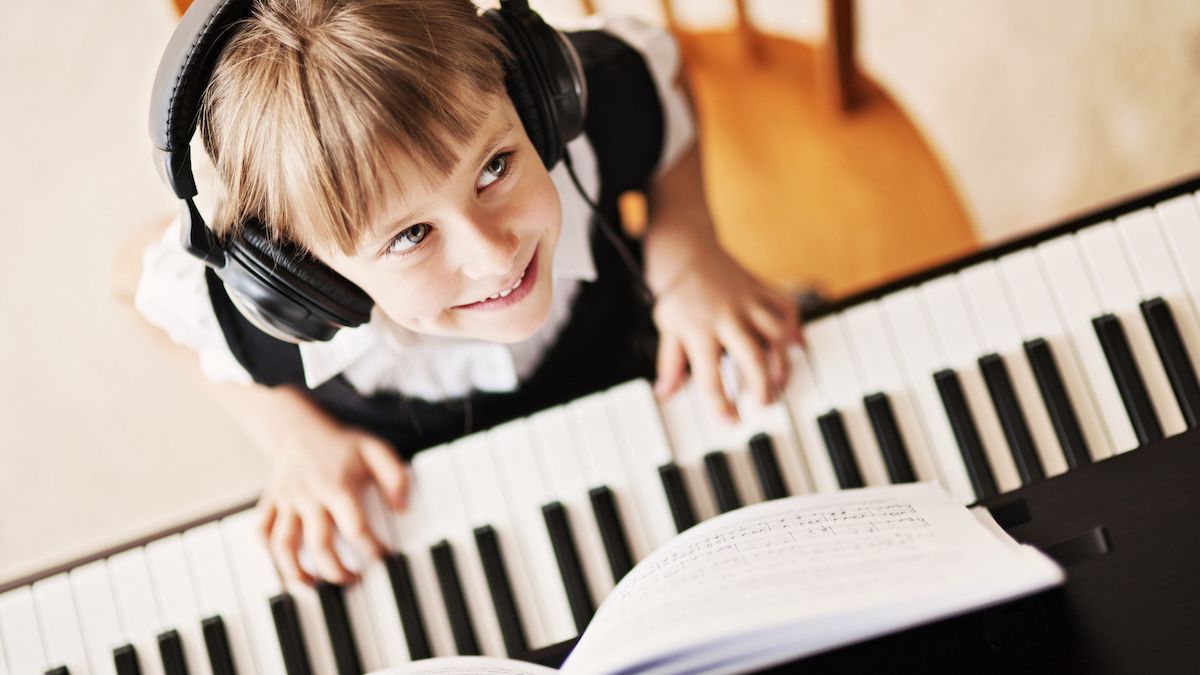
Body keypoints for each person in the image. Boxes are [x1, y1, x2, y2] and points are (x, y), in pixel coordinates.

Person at [134, 0, 801, 586]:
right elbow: (130, 285)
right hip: (423, 489)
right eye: (410, 234)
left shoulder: (592, 116)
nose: (495, 254)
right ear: (299, 273)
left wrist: (688, 248)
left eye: (495, 166)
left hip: (627, 366)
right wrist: (291, 435)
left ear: (536, 100)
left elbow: (663, 66)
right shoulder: (251, 317)